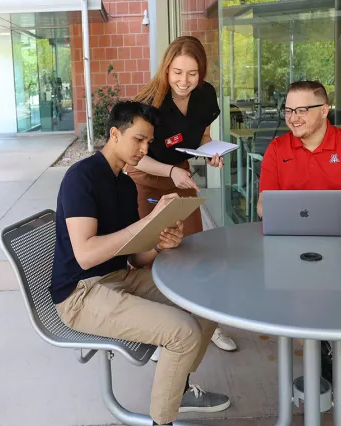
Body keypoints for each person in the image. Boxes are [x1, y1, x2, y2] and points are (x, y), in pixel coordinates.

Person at [50, 101, 231, 425]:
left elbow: (133, 256)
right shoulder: (82, 177)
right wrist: (145, 224)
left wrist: (160, 243)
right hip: (80, 294)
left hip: (119, 277)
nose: (145, 148)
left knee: (210, 298)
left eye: (149, 141)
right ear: (115, 134)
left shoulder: (124, 183)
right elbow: (86, 254)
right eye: (139, 139)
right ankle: (163, 420)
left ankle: (179, 386)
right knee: (183, 332)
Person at [257, 80, 341, 387]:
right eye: (288, 110)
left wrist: (331, 219)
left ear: (324, 110)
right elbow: (263, 207)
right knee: (297, 296)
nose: (293, 117)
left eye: (301, 109)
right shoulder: (277, 149)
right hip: (291, 242)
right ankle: (321, 347)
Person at [126, 35, 237, 353]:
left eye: (192, 73)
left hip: (181, 173)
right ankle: (161, 330)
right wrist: (171, 171)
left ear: (201, 72)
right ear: (166, 69)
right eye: (177, 72)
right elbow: (136, 155)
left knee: (193, 248)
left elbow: (202, 135)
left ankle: (204, 322)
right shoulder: (150, 104)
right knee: (152, 250)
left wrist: (210, 152)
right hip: (147, 177)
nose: (184, 81)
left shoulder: (205, 95)